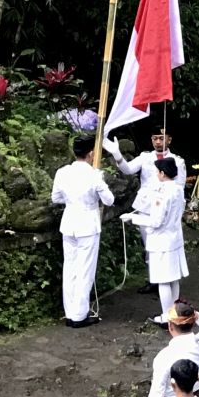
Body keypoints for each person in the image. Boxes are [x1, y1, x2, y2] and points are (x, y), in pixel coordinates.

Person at [102, 127, 186, 295]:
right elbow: (127, 169)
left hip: (166, 208)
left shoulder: (177, 161)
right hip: (146, 207)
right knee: (149, 246)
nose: (158, 141)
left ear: (169, 140)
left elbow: (179, 186)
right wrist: (117, 154)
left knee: (166, 244)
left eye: (161, 138)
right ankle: (153, 279)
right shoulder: (145, 157)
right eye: (155, 138)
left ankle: (168, 278)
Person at [51, 136, 115, 328]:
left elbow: (55, 198)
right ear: (91, 154)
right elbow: (110, 200)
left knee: (70, 268)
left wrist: (72, 201)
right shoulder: (94, 174)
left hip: (69, 221)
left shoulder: (63, 172)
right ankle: (79, 314)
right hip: (87, 223)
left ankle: (70, 312)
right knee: (84, 270)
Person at [122, 159, 188, 325]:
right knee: (173, 278)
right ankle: (175, 311)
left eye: (158, 172)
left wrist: (133, 218)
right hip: (174, 238)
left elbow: (156, 221)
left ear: (162, 173)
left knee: (163, 280)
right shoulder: (179, 189)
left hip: (161, 240)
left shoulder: (162, 193)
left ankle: (167, 316)